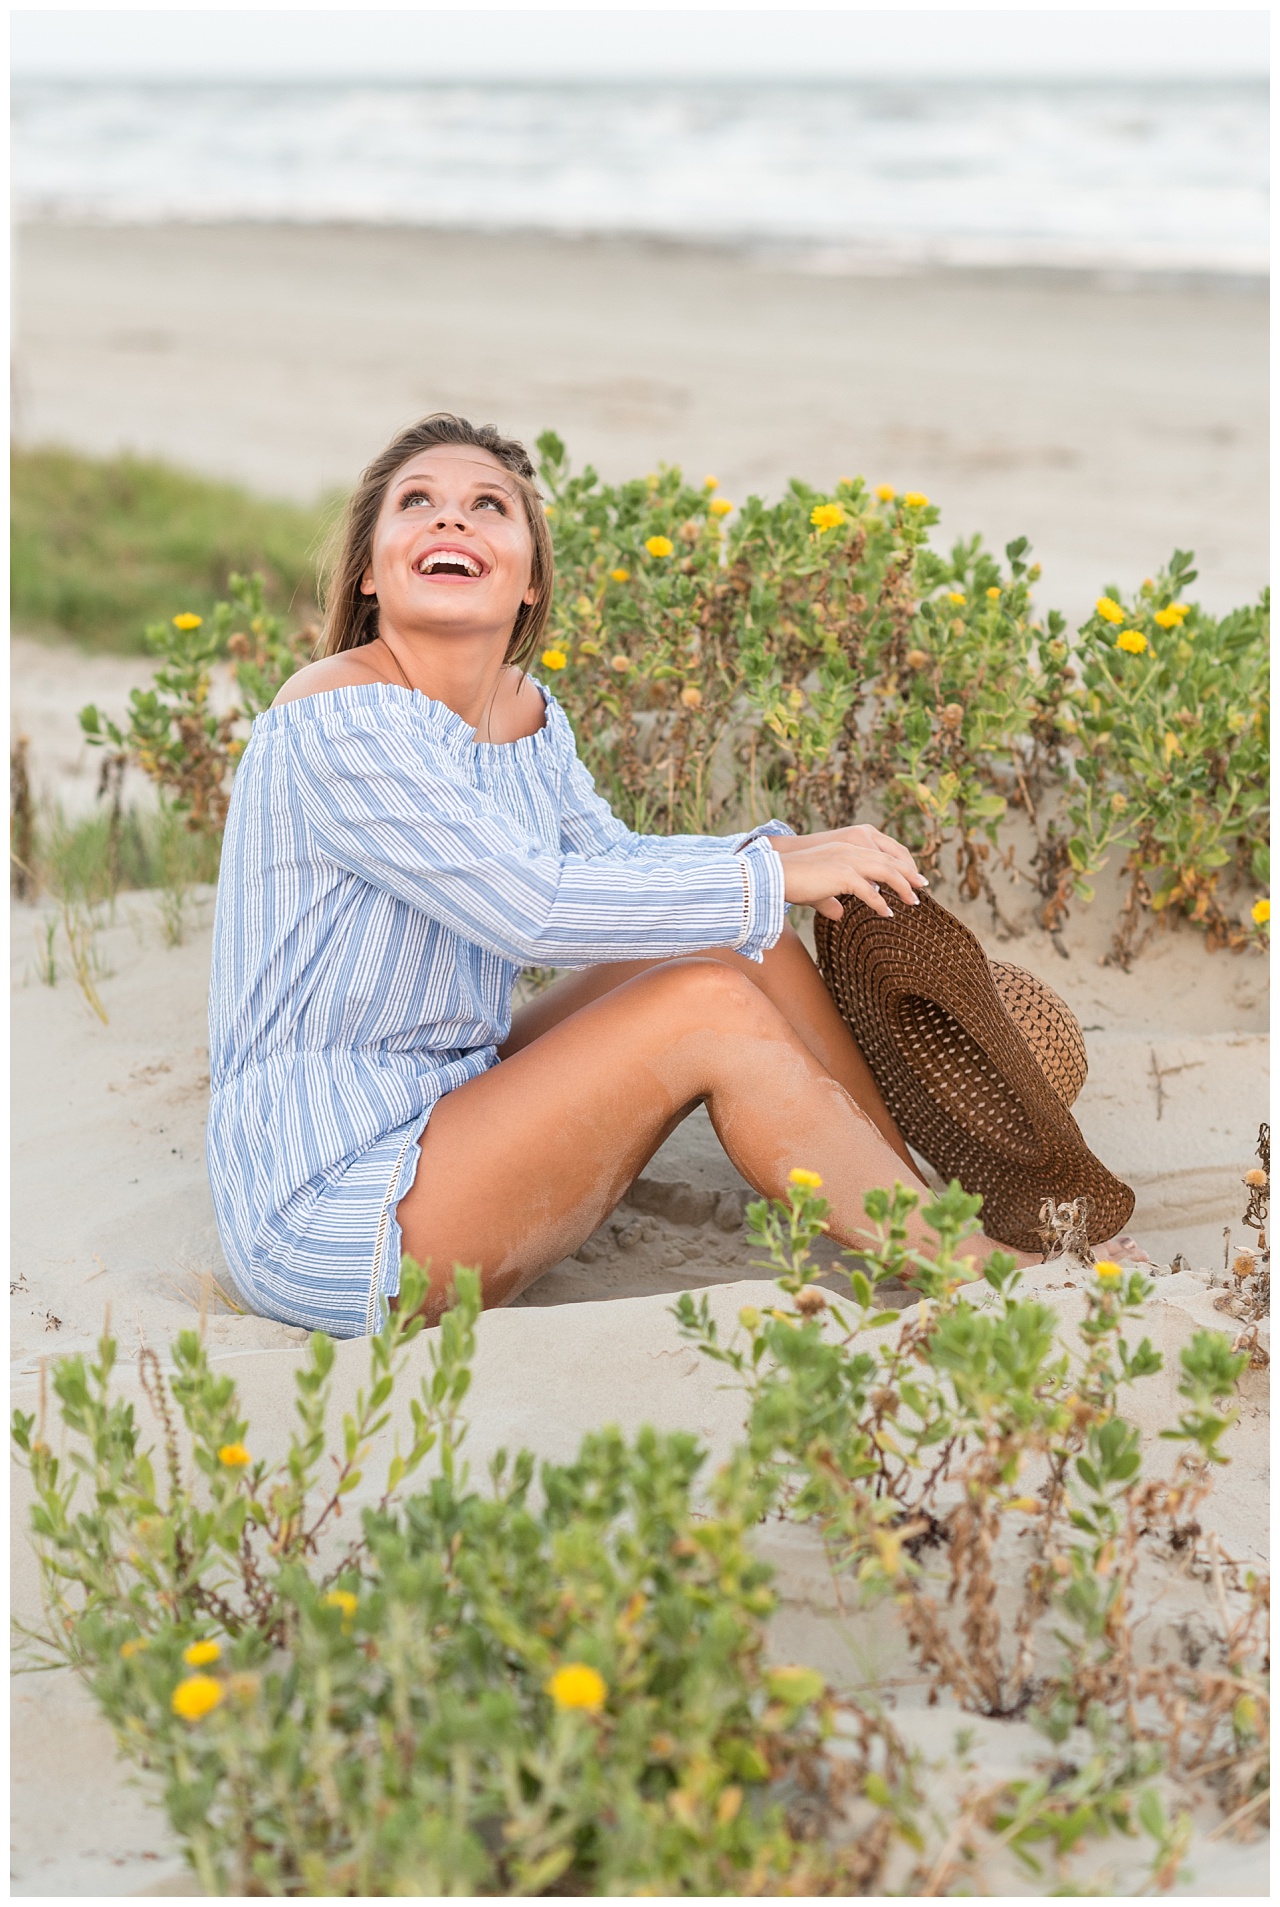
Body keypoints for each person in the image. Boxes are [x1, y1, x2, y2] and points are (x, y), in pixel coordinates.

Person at [207, 413, 1028, 1338]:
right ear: (368, 568)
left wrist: (776, 859)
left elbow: (607, 865)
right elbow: (533, 909)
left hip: (453, 1098)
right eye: (417, 504)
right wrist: (764, 878)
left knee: (728, 939)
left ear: (528, 578)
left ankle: (916, 1209)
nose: (452, 521)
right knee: (706, 1006)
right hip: (340, 1202)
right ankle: (977, 1271)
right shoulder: (336, 715)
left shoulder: (523, 710)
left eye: (488, 506)